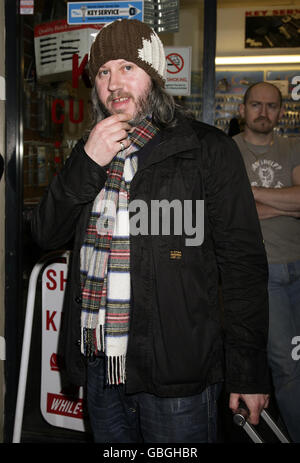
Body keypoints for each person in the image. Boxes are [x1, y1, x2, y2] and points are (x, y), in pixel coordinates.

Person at [32, 19, 270, 443]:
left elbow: (242, 266)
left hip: (178, 374)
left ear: (155, 77)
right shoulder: (89, 151)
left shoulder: (208, 149)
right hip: (102, 366)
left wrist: (248, 371)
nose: (114, 83)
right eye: (103, 72)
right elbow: (44, 234)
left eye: (127, 67)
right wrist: (87, 161)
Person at [233, 81, 300, 442]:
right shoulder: (229, 151)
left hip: (299, 265)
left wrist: (253, 193)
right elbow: (231, 214)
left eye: (272, 106)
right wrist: (286, 200)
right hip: (264, 272)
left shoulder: (293, 146)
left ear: (280, 111)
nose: (264, 112)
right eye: (256, 105)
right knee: (287, 365)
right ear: (242, 109)